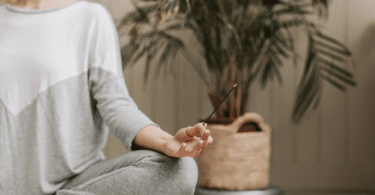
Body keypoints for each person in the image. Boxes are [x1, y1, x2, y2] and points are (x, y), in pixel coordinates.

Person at [0, 0, 213, 194]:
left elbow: (116, 103)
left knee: (180, 169)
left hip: (76, 184)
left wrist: (168, 143)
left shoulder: (90, 18)